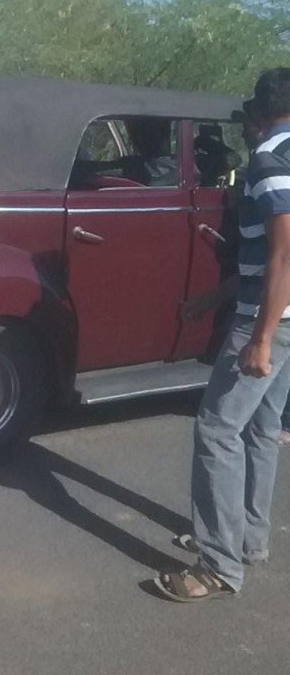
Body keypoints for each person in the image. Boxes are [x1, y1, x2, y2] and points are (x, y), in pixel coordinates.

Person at [154, 67, 290, 601]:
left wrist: (260, 338)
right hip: (283, 316)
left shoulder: (269, 160)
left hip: (269, 321)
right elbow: (265, 260)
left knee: (216, 430)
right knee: (261, 427)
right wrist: (210, 301)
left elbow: (284, 255)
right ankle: (248, 539)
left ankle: (217, 564)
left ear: (260, 113)